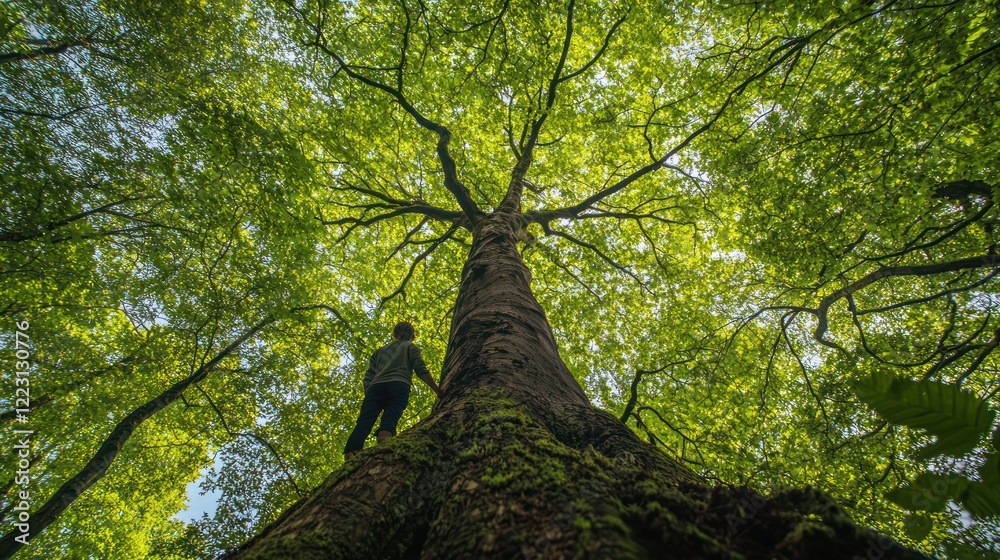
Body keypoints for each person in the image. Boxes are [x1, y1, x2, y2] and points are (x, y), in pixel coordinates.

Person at [343, 321, 443, 456]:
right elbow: (420, 369)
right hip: (399, 384)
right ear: (412, 336)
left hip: (375, 387)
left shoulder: (379, 352)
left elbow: (368, 377)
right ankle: (384, 446)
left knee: (364, 422)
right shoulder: (410, 347)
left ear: (395, 335)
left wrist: (370, 393)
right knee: (391, 415)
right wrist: (437, 390)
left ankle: (351, 454)